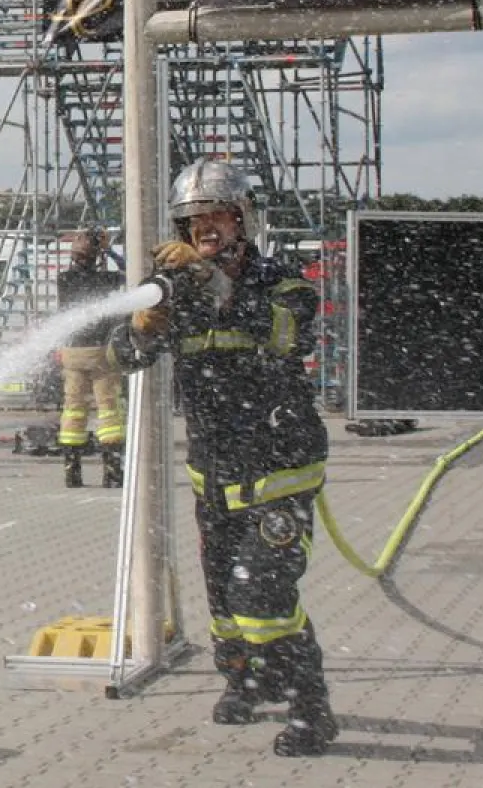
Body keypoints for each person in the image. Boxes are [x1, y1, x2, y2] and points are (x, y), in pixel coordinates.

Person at [107, 158, 336, 757]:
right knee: (224, 598)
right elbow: (126, 358)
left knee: (261, 591)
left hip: (281, 463)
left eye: (217, 217)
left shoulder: (281, 283)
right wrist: (142, 323)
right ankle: (246, 680)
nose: (206, 228)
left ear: (242, 220)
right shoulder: (174, 287)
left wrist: (212, 283)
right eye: (194, 221)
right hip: (215, 470)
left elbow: (282, 335)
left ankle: (312, 708)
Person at [56, 228, 126, 488]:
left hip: (72, 353)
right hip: (100, 353)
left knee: (73, 408)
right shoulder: (108, 280)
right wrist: (109, 250)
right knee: (109, 411)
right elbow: (132, 273)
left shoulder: (63, 280)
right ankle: (112, 471)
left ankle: (72, 470)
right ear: (97, 256)